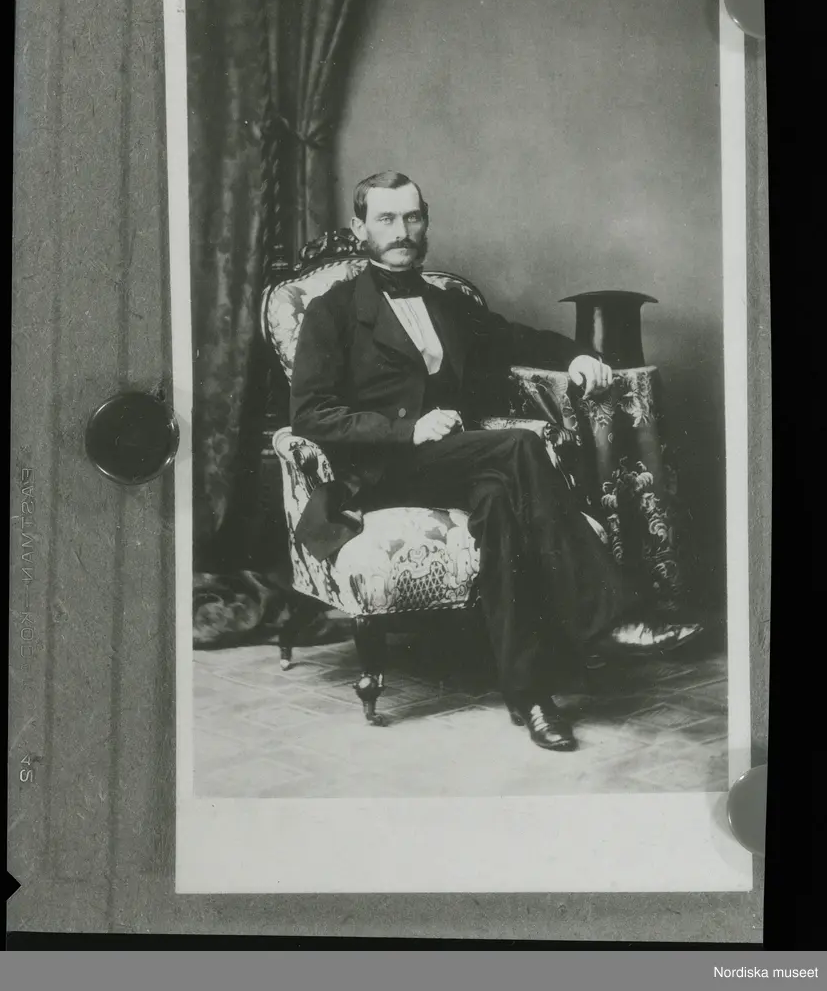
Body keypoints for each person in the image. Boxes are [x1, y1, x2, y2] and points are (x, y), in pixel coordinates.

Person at [289, 171, 702, 752]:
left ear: (426, 222)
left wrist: (578, 355)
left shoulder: (446, 303)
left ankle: (531, 698)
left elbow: (519, 339)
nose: (402, 231)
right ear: (360, 228)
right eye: (386, 219)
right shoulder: (331, 311)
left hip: (455, 462)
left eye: (412, 217)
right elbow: (311, 415)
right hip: (382, 471)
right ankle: (607, 617)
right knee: (519, 447)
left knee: (501, 504)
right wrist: (407, 430)